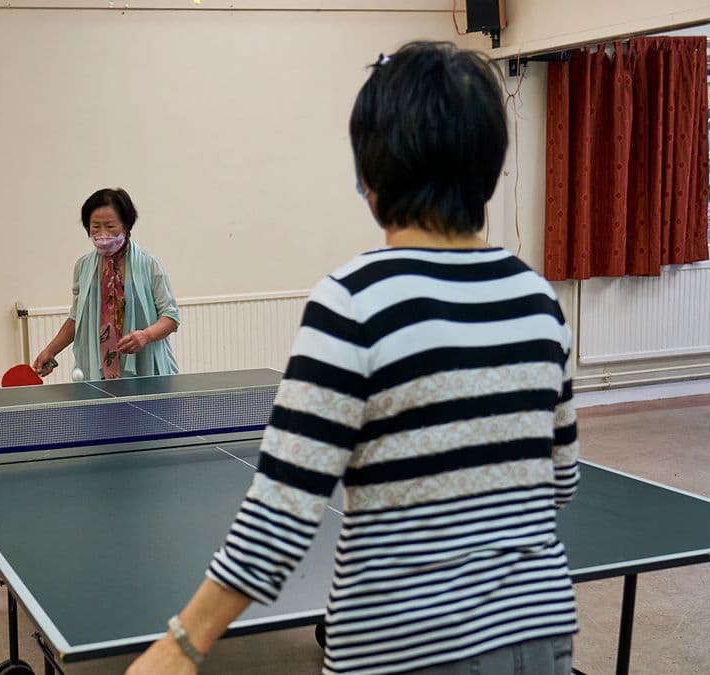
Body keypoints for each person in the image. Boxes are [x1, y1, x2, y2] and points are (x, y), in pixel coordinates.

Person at [126, 42, 580, 675]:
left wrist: (183, 644)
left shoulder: (353, 301)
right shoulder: (536, 299)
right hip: (540, 635)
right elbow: (562, 479)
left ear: (371, 176)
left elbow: (284, 507)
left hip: (406, 647)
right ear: (490, 165)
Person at [32, 188, 180, 380]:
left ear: (126, 225)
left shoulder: (149, 264)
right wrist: (50, 351)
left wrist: (146, 335)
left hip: (146, 370)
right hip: (99, 371)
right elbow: (77, 318)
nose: (102, 234)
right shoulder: (83, 267)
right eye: (95, 226)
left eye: (110, 226)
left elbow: (170, 317)